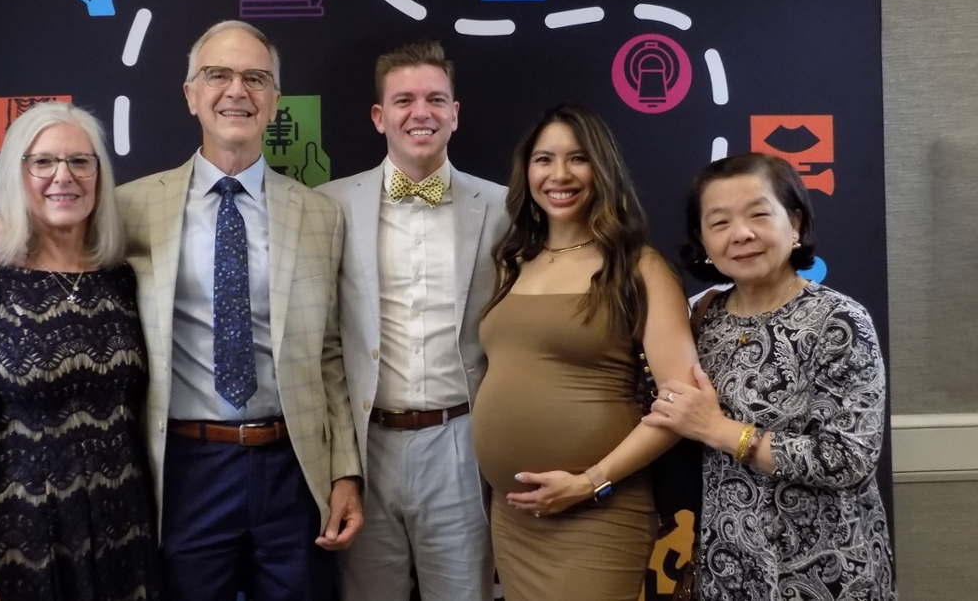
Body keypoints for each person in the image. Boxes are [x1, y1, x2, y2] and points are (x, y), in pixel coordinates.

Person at [0, 20, 363, 601]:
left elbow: (331, 354)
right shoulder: (128, 208)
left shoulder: (322, 216)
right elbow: (54, 247)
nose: (237, 90)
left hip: (294, 469)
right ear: (190, 94)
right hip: (185, 470)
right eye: (218, 75)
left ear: (276, 101)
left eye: (256, 78)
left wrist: (345, 471)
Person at [470, 103, 699, 601]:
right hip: (515, 515)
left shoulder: (640, 267)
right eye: (544, 159)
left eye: (577, 159)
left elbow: (683, 403)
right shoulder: (512, 263)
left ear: (603, 168)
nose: (559, 174)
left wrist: (590, 482)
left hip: (599, 509)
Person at [0, 102, 161, 601]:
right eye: (43, 162)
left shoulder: (122, 281)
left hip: (126, 532)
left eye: (81, 161)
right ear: (17, 174)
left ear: (99, 176)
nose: (64, 176)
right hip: (28, 539)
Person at [643, 153, 896, 601]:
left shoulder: (838, 322)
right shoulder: (702, 317)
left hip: (828, 572)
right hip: (730, 568)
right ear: (702, 239)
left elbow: (848, 461)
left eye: (759, 214)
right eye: (719, 223)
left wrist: (720, 430)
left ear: (794, 223)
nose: (741, 234)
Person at [317, 39, 506, 601]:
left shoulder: (505, 209)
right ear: (379, 117)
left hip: (461, 441)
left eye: (434, 99)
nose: (419, 113)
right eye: (403, 100)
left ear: (454, 113)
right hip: (365, 447)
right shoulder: (328, 206)